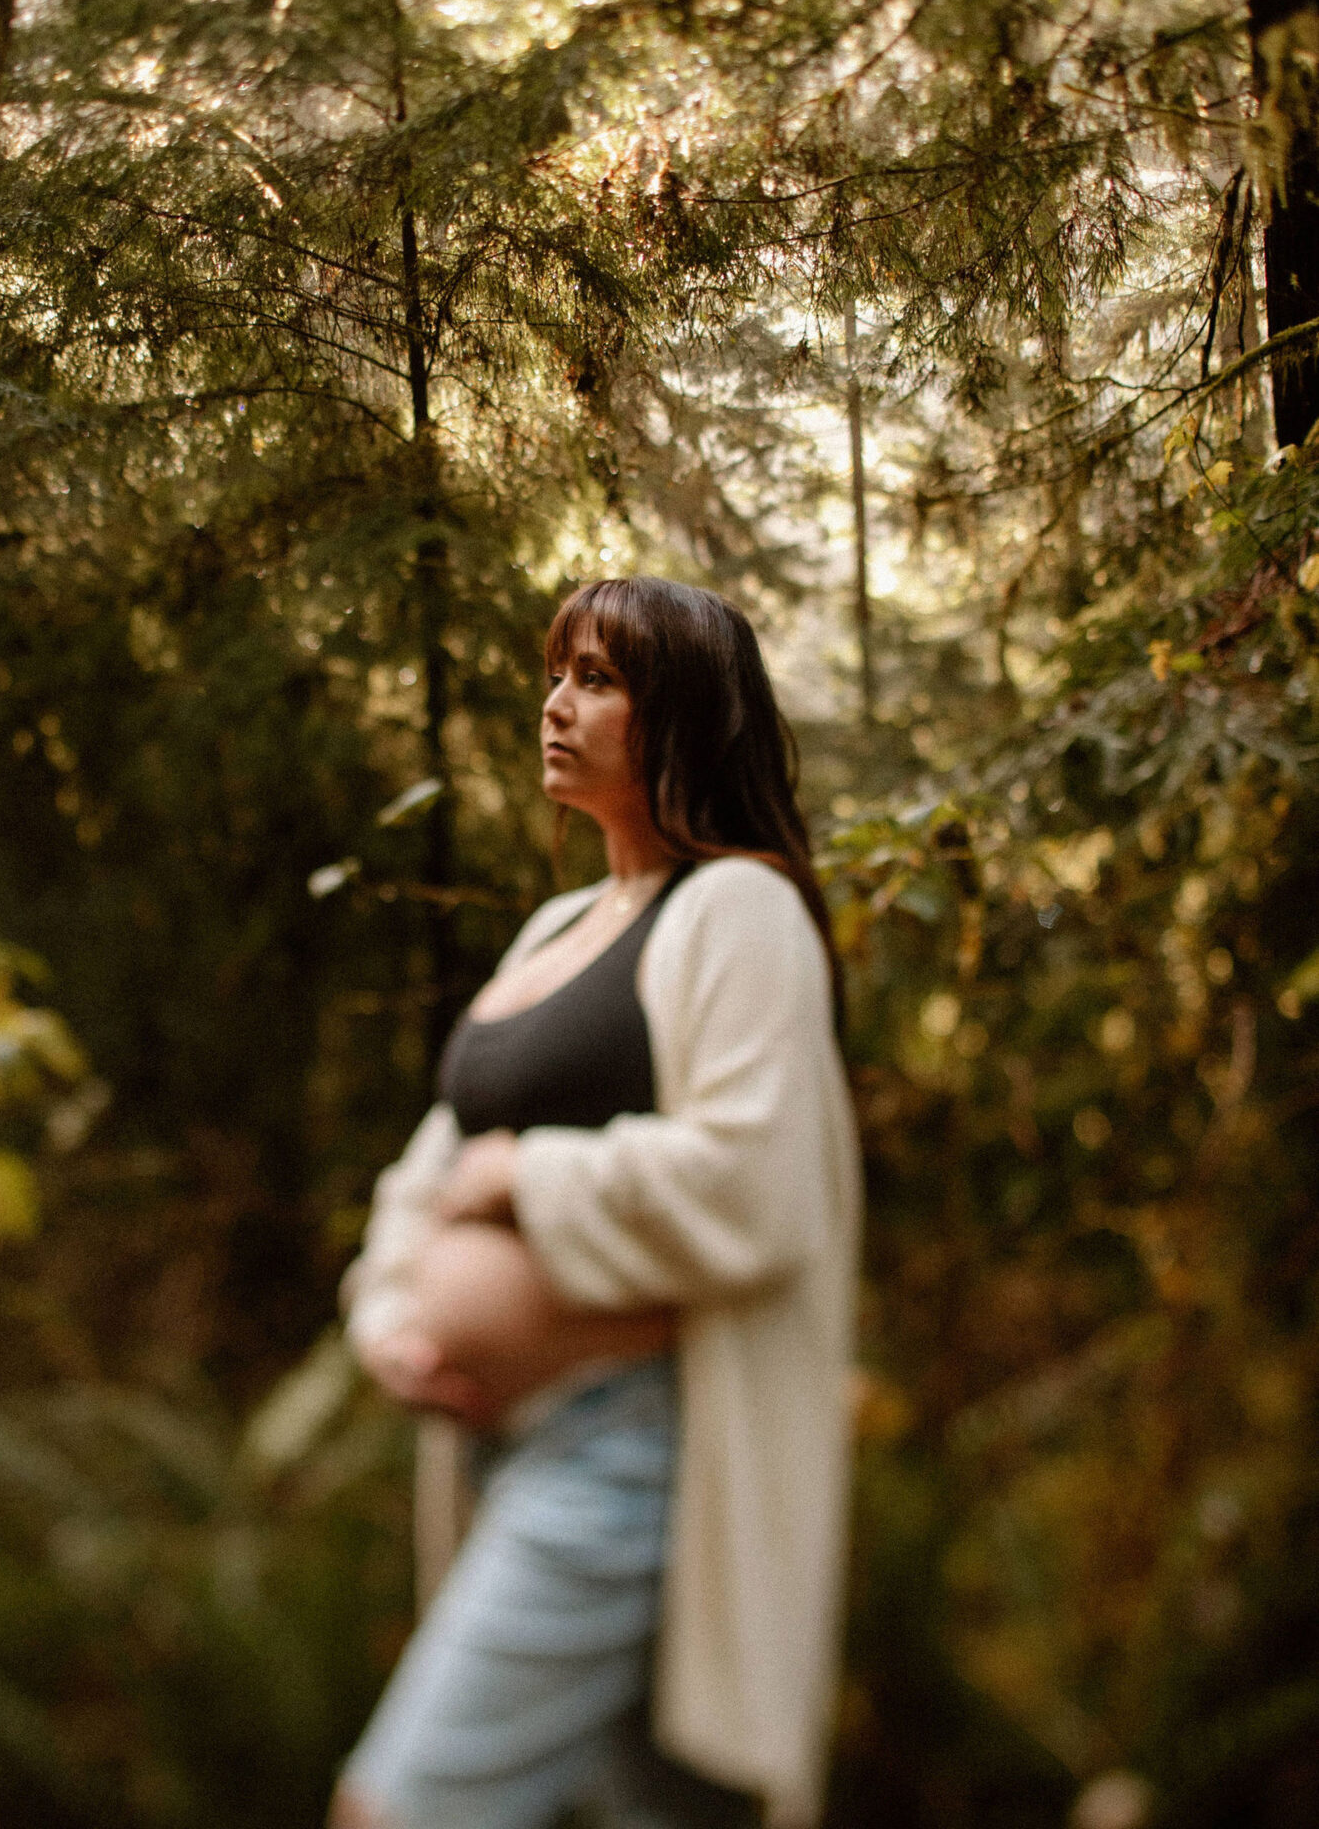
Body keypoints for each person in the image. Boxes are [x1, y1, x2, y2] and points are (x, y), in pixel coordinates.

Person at [332, 578, 862, 1829]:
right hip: (514, 1451)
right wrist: (392, 1324)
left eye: (599, 680)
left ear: (684, 714)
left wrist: (532, 1175)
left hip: (640, 1455)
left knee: (393, 1808)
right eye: (557, 673)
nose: (555, 706)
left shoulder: (738, 909)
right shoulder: (557, 928)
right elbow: (422, 1180)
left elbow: (757, 1184)